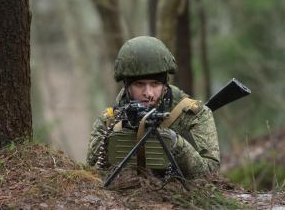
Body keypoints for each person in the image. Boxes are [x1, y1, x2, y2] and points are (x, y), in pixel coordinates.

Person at [86, 36, 220, 179]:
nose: (148, 93)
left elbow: (211, 174)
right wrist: (119, 137)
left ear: (165, 84)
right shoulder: (109, 120)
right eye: (139, 84)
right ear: (126, 85)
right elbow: (91, 173)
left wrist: (176, 143)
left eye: (155, 84)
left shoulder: (193, 114)